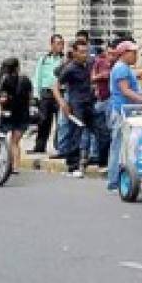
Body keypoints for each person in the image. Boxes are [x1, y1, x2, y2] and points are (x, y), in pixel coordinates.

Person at [105, 41, 142, 193]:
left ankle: (121, 179)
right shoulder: (121, 69)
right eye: (133, 53)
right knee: (118, 146)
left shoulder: (125, 68)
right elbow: (125, 90)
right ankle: (114, 181)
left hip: (127, 111)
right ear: (124, 54)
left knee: (126, 147)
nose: (136, 56)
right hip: (121, 112)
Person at [55, 39, 95, 178]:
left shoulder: (90, 63)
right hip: (75, 104)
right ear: (75, 52)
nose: (85, 54)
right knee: (76, 134)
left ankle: (95, 159)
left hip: (90, 103)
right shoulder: (70, 68)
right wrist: (62, 103)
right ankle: (72, 166)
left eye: (87, 51)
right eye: (82, 52)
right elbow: (55, 86)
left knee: (99, 130)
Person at [0, 58, 32, 173]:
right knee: (15, 142)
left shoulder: (5, 80)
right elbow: (30, 97)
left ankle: (2, 163)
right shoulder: (26, 80)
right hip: (23, 114)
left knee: (0, 139)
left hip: (8, 114)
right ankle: (15, 166)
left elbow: (2, 98)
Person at [32, 34, 65, 154]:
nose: (60, 46)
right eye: (58, 43)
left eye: (62, 43)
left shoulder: (64, 59)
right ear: (51, 45)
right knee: (44, 121)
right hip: (46, 93)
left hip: (60, 93)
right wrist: (36, 95)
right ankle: (40, 146)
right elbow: (37, 76)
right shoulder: (44, 59)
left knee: (60, 121)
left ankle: (60, 147)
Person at [89, 44, 116, 167]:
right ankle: (95, 155)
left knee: (109, 130)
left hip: (111, 100)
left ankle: (106, 157)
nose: (111, 56)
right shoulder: (99, 62)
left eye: (113, 54)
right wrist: (102, 75)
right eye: (109, 53)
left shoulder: (118, 66)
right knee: (96, 130)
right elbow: (93, 77)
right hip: (100, 99)